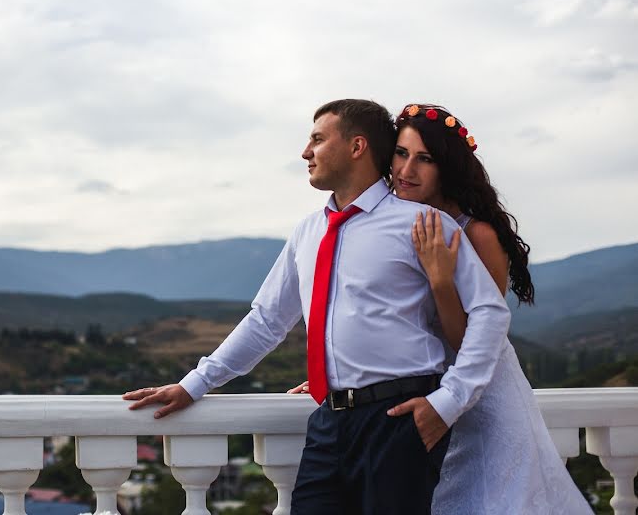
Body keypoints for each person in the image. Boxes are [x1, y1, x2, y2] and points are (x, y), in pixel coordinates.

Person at [123, 99, 512, 514]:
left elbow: (490, 313)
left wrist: (449, 402)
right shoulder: (308, 232)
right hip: (328, 423)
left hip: (399, 421)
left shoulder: (421, 223)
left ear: (357, 146)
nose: (306, 152)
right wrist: (194, 384)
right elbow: (268, 320)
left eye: (317, 139)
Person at [289, 103, 592, 514]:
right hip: (424, 389)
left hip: (479, 391)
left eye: (424, 159)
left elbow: (470, 335)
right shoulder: (407, 222)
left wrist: (441, 280)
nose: (405, 170)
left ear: (445, 167)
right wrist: (343, 370)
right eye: (400, 153)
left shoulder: (474, 233)